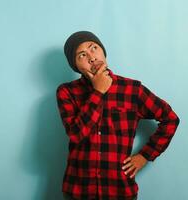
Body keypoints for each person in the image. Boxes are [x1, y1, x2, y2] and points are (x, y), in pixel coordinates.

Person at [56, 31, 180, 200]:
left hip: (119, 190)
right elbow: (76, 135)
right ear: (75, 66)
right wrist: (98, 91)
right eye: (82, 55)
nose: (91, 57)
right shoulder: (67, 92)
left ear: (103, 51)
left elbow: (170, 119)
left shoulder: (132, 90)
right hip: (78, 190)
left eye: (94, 48)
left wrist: (145, 155)